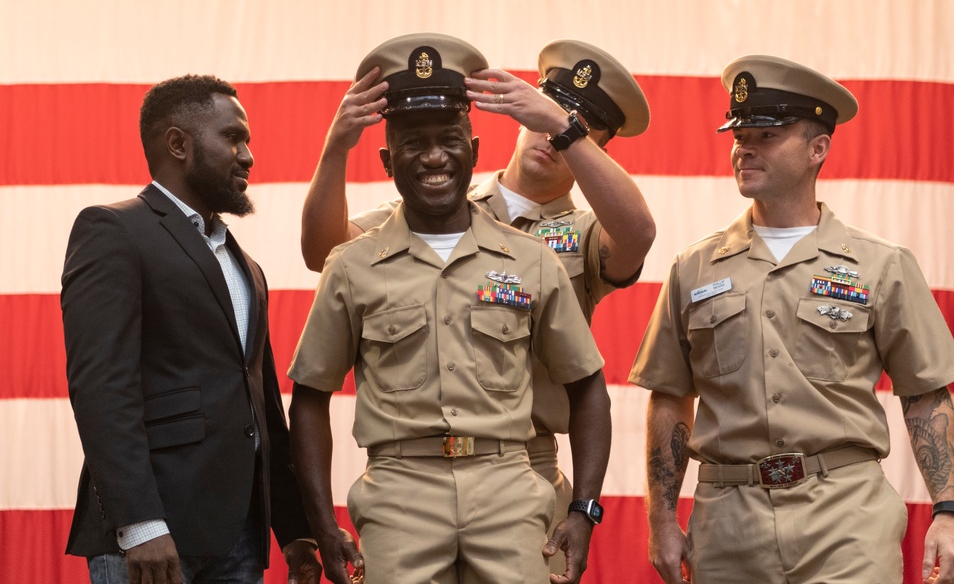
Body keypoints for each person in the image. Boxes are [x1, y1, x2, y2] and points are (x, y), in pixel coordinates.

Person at [299, 39, 655, 573]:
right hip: (407, 476)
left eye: (577, 127)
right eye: (546, 113)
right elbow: (324, 252)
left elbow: (637, 234)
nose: (551, 138)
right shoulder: (421, 205)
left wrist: (563, 124)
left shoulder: (576, 236)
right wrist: (334, 149)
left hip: (522, 467)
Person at [629, 55, 954, 584]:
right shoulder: (692, 269)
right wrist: (659, 519)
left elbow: (925, 394)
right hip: (727, 525)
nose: (745, 148)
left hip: (845, 522)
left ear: (819, 149)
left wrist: (949, 513)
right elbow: (670, 399)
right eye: (740, 135)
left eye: (767, 135)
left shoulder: (881, 264)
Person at [62, 75, 321, 584]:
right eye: (232, 137)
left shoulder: (246, 265)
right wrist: (139, 525)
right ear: (177, 143)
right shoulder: (112, 230)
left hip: (239, 536)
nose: (247, 155)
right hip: (152, 539)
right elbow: (101, 389)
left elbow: (262, 405)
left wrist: (294, 530)